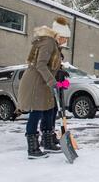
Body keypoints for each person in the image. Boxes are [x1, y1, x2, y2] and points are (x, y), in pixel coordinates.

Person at [18, 17, 72, 159]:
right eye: (64, 38)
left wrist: (59, 72)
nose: (65, 41)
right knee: (36, 114)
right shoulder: (48, 43)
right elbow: (40, 64)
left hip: (44, 83)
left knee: (49, 110)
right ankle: (33, 149)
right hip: (36, 83)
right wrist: (53, 82)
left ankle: (48, 142)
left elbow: (49, 65)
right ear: (58, 35)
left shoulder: (53, 45)